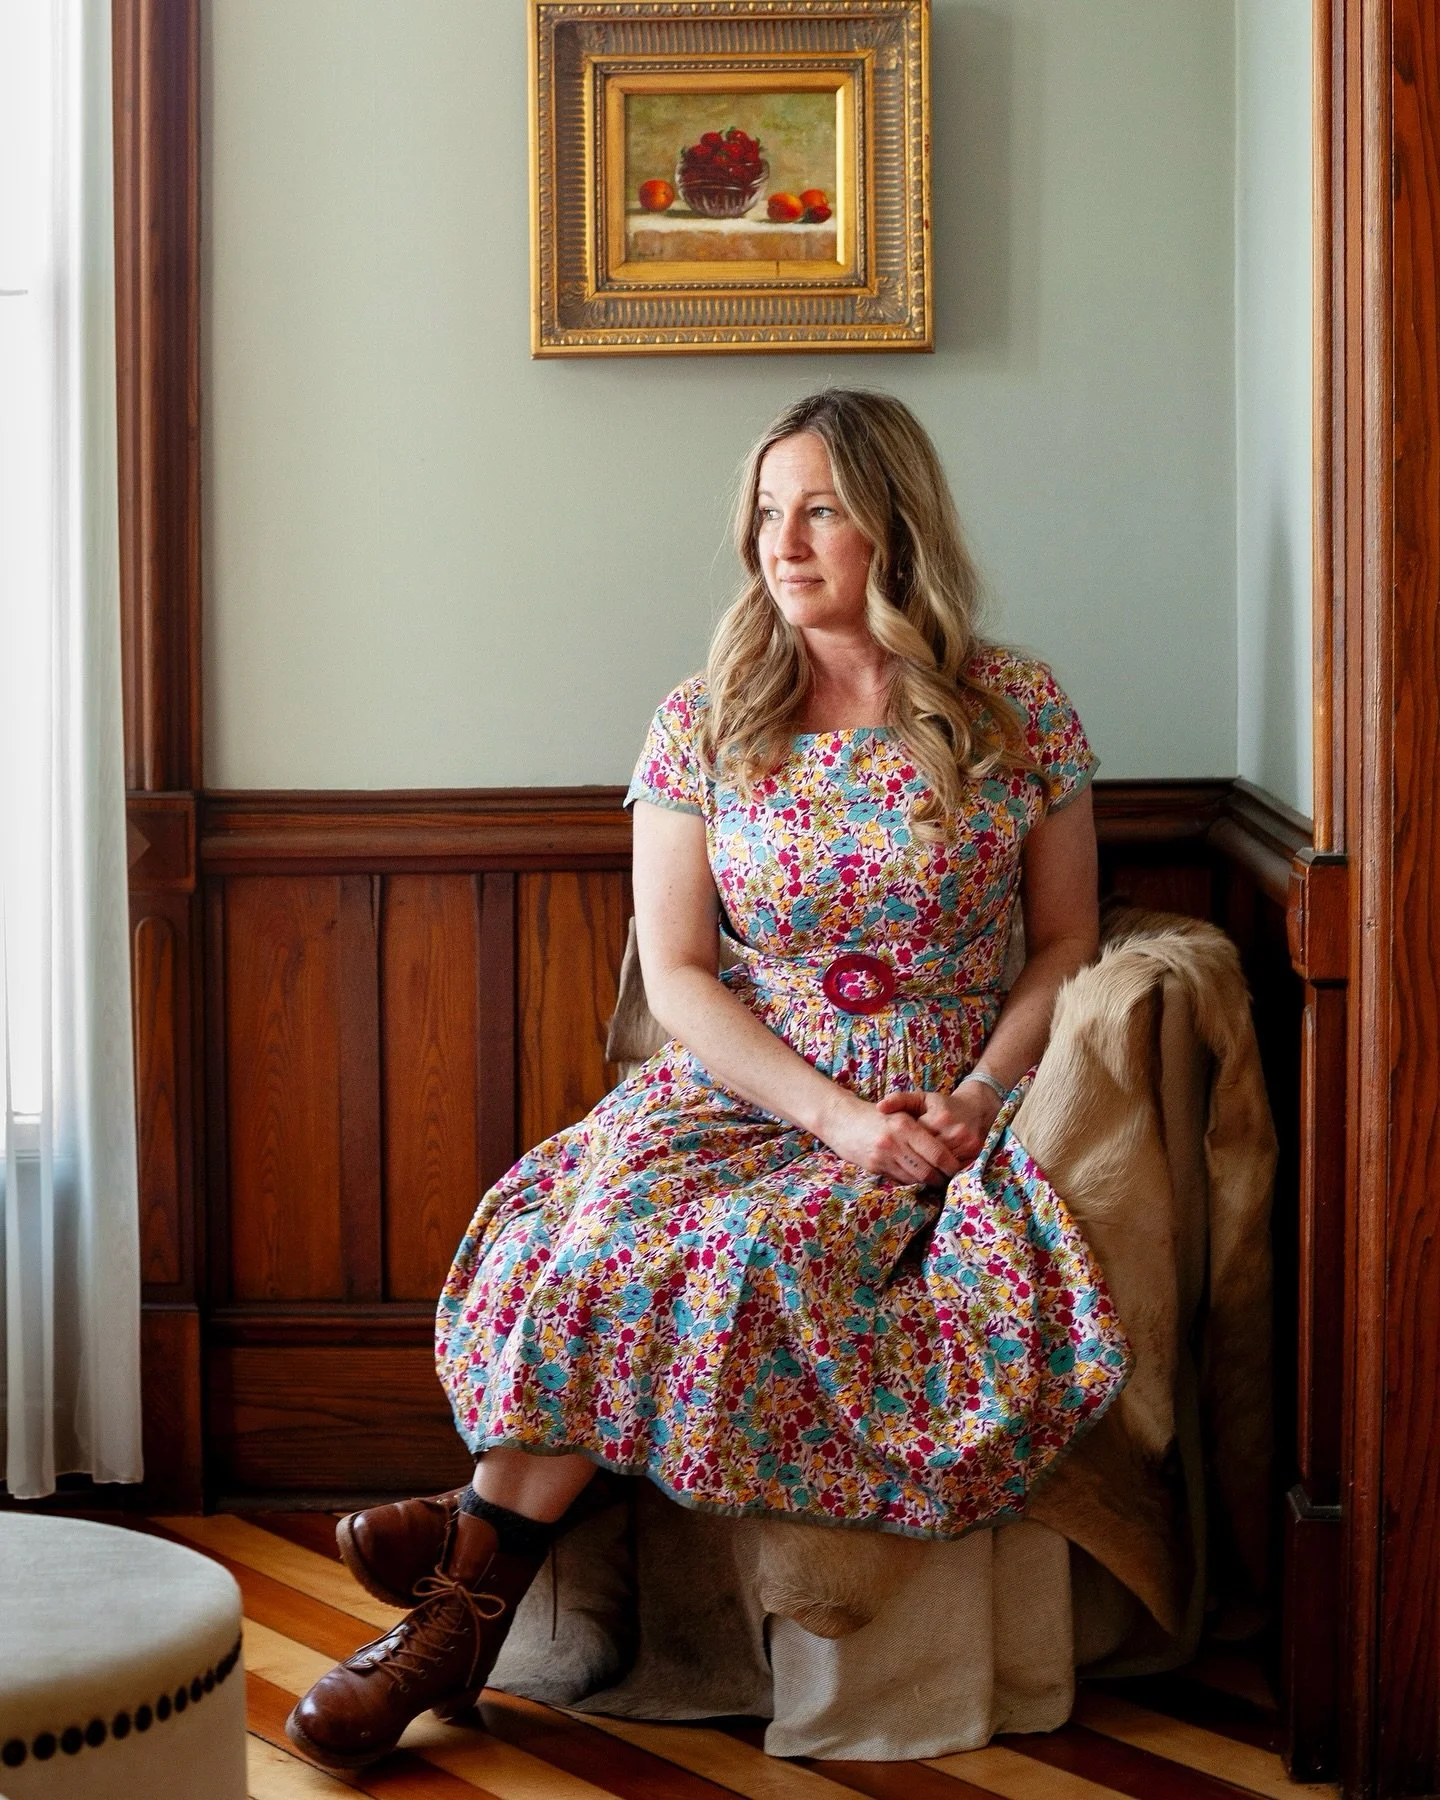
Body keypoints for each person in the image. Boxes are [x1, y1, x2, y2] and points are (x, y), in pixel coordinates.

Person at [286, 388, 1132, 1772]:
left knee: (745, 1252)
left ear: (893, 526)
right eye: (763, 508)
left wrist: (972, 1098)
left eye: (818, 508)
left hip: (941, 1104)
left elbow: (1065, 940)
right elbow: (677, 973)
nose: (780, 541)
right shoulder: (708, 718)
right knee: (604, 1238)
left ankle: (450, 1589)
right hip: (748, 1087)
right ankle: (463, 1604)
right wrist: (830, 1113)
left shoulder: (1014, 706)